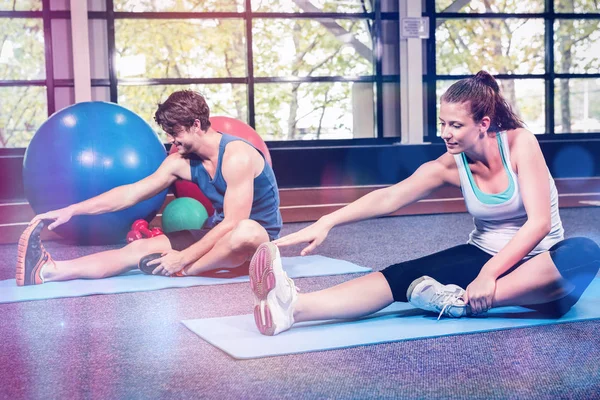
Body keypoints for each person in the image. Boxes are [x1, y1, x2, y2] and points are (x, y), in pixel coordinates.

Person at [247, 70, 600, 336]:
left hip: (542, 265)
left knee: (584, 253)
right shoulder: (450, 164)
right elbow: (390, 197)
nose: (445, 132)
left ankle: (459, 303)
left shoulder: (520, 144)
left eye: (456, 125)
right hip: (482, 254)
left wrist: (488, 277)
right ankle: (293, 309)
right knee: (402, 275)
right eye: (442, 123)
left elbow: (538, 224)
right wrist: (328, 221)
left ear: (484, 124)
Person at [16, 90, 282, 286]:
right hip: (217, 234)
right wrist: (73, 209)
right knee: (136, 250)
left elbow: (234, 223)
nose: (171, 141)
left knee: (243, 231)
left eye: (174, 132)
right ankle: (48, 271)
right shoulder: (180, 161)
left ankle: (186, 270)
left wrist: (183, 258)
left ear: (197, 125)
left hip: (256, 238)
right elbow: (130, 193)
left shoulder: (237, 155)